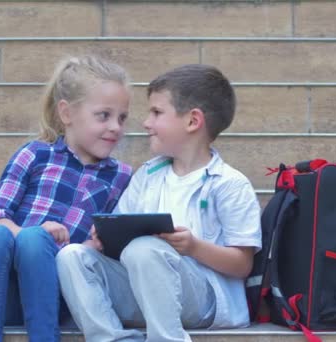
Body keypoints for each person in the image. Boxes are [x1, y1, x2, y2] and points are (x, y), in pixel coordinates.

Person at [56, 64, 262, 342]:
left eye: (156, 112)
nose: (146, 122)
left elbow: (242, 265)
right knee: (72, 256)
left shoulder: (228, 184)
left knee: (145, 248)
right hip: (142, 291)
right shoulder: (147, 176)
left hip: (205, 301)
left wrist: (193, 247)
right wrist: (103, 238)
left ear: (192, 121)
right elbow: (119, 233)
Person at [0, 55, 133, 342]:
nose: (116, 127)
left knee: (34, 241)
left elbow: (110, 245)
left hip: (57, 293)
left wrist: (96, 244)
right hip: (2, 293)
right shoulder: (35, 154)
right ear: (67, 113)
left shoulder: (121, 177)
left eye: (122, 118)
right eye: (104, 115)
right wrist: (29, 232)